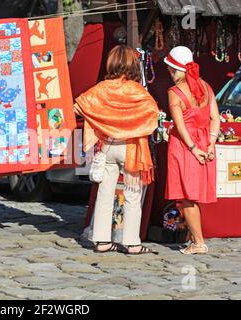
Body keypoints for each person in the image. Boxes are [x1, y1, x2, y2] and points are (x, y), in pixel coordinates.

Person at [74, 45, 159, 255]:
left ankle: (102, 241)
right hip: (131, 146)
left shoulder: (102, 88)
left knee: (104, 194)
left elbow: (79, 106)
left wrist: (102, 120)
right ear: (132, 65)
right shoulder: (137, 91)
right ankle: (132, 243)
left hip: (108, 145)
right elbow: (152, 115)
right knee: (132, 194)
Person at [164, 46, 220, 255]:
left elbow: (179, 126)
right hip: (205, 142)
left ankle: (198, 242)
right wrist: (210, 143)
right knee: (193, 195)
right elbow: (215, 118)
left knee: (187, 197)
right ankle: (195, 239)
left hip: (185, 146)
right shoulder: (206, 86)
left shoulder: (174, 92)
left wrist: (194, 148)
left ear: (174, 69)